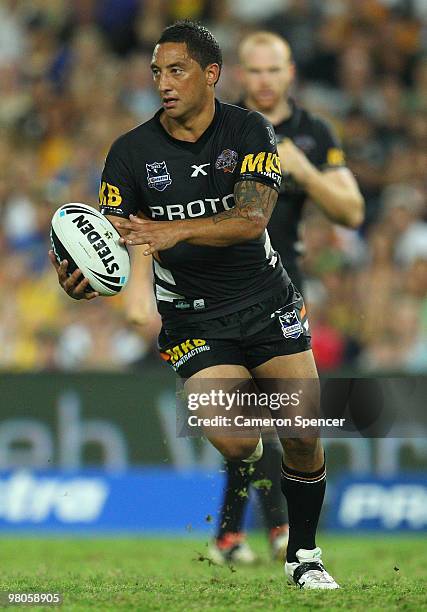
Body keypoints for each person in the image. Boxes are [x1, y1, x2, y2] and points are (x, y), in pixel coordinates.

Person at [49, 20, 340, 589]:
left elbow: (253, 217)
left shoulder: (250, 129)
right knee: (239, 439)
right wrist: (82, 273)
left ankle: (304, 554)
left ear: (212, 74)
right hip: (192, 314)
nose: (164, 82)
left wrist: (173, 232)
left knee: (303, 433)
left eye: (177, 69)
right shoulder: (129, 153)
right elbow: (112, 233)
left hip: (264, 298)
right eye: (157, 71)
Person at [209, 31, 365, 565]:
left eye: (273, 70)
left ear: (291, 71)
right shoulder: (219, 128)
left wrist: (304, 173)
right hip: (222, 290)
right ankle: (257, 531)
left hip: (284, 287)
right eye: (254, 71)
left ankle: (246, 533)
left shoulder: (313, 133)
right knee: (243, 415)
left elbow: (352, 211)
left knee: (277, 416)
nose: (264, 81)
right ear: (239, 75)